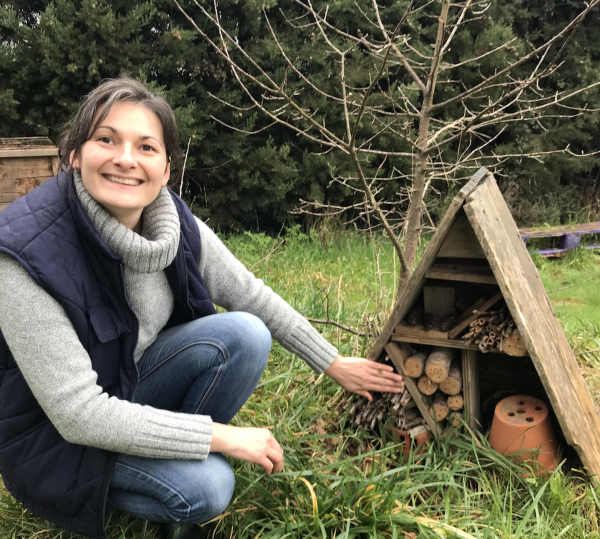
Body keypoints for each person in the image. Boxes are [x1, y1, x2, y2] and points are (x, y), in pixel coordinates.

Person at [0, 78, 404, 539]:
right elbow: (78, 413)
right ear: (74, 154)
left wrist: (332, 362)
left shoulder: (171, 221)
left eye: (146, 146)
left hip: (132, 383)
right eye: (106, 139)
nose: (126, 159)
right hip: (59, 438)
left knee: (246, 333)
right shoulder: (22, 256)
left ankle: (169, 461)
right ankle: (148, 491)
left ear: (166, 168)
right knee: (209, 488)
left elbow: (249, 293)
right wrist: (221, 437)